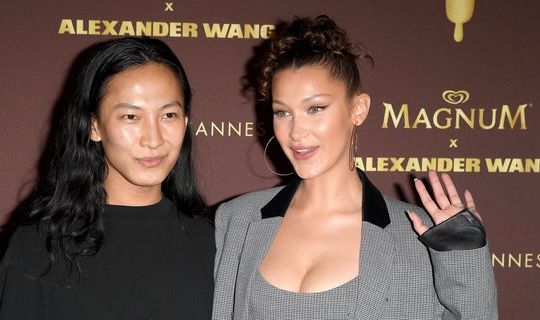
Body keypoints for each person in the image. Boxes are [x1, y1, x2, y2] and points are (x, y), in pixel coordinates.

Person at [212, 15, 497, 319]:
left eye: (315, 108)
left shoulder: (421, 235)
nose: (296, 132)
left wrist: (466, 258)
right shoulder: (237, 219)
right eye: (283, 112)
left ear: (358, 109)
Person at [0, 37, 214, 319]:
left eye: (168, 115)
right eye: (131, 117)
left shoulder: (212, 244)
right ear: (94, 125)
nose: (153, 139)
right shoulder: (40, 246)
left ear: (185, 122)